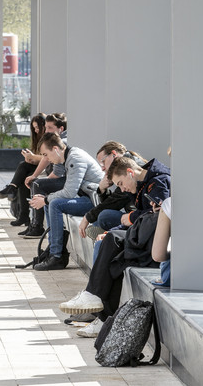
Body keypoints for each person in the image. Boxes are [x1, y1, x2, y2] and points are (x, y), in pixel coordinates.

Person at [59, 155, 171, 336]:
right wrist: (119, 227)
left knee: (112, 244)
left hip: (156, 247)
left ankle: (94, 301)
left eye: (120, 183)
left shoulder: (159, 182)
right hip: (144, 241)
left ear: (129, 172)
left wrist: (131, 218)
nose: (122, 188)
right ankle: (102, 317)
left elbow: (157, 217)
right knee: (113, 257)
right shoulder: (143, 183)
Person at [28, 132, 104, 271]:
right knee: (51, 201)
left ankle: (57, 256)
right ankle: (53, 248)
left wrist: (45, 199)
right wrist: (45, 199)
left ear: (56, 149)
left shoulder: (75, 158)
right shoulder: (68, 156)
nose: (46, 159)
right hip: (86, 196)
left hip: (95, 201)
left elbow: (70, 192)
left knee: (54, 203)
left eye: (46, 154)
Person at [78, 141, 142, 240]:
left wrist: (87, 217)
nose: (102, 168)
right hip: (134, 217)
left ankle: (107, 236)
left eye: (103, 162)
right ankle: (105, 237)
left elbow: (115, 202)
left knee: (104, 216)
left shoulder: (127, 168)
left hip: (138, 219)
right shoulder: (126, 164)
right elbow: (114, 203)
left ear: (113, 154)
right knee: (99, 218)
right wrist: (102, 190)